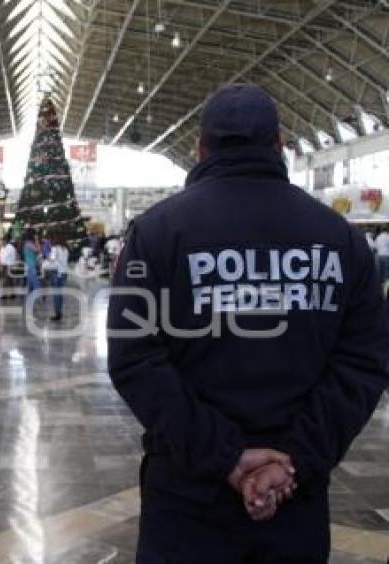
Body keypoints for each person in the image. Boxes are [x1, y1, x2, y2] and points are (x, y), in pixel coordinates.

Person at [106, 84, 389, 562]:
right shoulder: (340, 239)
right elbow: (364, 362)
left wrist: (226, 458)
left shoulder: (157, 232)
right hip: (292, 498)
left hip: (187, 498)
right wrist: (295, 459)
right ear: (279, 145)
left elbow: (134, 358)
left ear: (200, 149)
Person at [47, 237, 69, 321]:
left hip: (56, 272)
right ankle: (59, 312)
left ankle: (57, 313)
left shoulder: (55, 249)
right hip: (63, 273)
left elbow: (51, 259)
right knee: (60, 293)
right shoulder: (66, 250)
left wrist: (47, 256)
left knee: (56, 294)